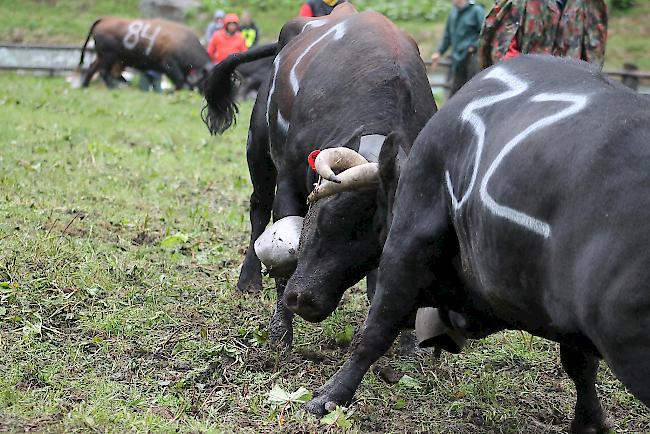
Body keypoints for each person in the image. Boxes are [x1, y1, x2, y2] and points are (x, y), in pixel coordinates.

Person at [479, 0, 608, 68]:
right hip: (525, 87)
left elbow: (593, 58)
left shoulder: (589, 4)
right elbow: (501, 52)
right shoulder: (518, 3)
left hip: (571, 89)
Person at [431, 0, 485, 96]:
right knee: (455, 91)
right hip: (457, 59)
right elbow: (447, 36)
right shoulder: (453, 13)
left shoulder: (477, 11)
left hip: (471, 58)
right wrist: (439, 52)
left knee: (473, 89)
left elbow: (484, 34)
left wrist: (473, 46)